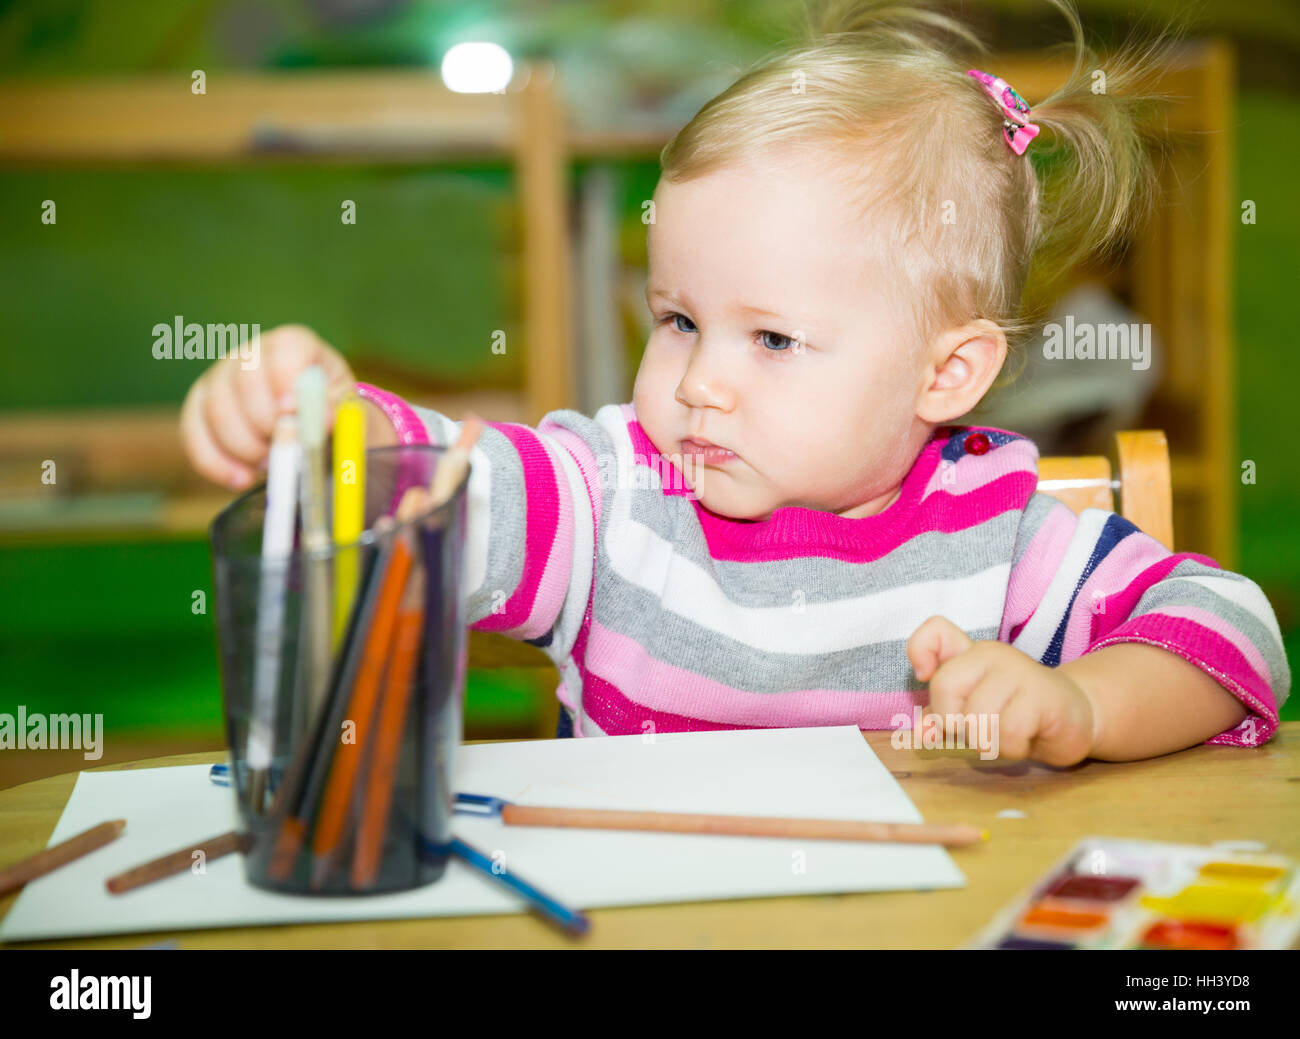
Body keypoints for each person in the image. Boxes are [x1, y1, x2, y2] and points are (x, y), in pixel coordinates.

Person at [180, 0, 1289, 764]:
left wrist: (1083, 703)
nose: (698, 382)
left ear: (946, 372)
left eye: (769, 341)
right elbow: (453, 492)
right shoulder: (618, 503)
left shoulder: (1004, 541)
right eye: (677, 320)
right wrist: (323, 423)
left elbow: (1235, 630)